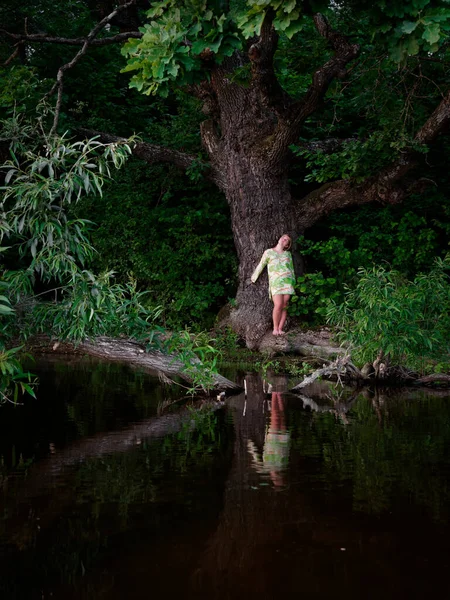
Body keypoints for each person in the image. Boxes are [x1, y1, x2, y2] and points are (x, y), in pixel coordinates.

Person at [251, 234, 295, 335]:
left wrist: (293, 282)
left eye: (287, 240)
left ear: (287, 245)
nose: (284, 239)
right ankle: (275, 329)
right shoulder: (269, 252)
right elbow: (261, 264)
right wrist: (254, 277)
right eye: (283, 237)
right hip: (276, 283)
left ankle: (280, 329)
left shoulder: (287, 254)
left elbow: (291, 269)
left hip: (288, 283)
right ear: (279, 239)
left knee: (284, 306)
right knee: (278, 304)